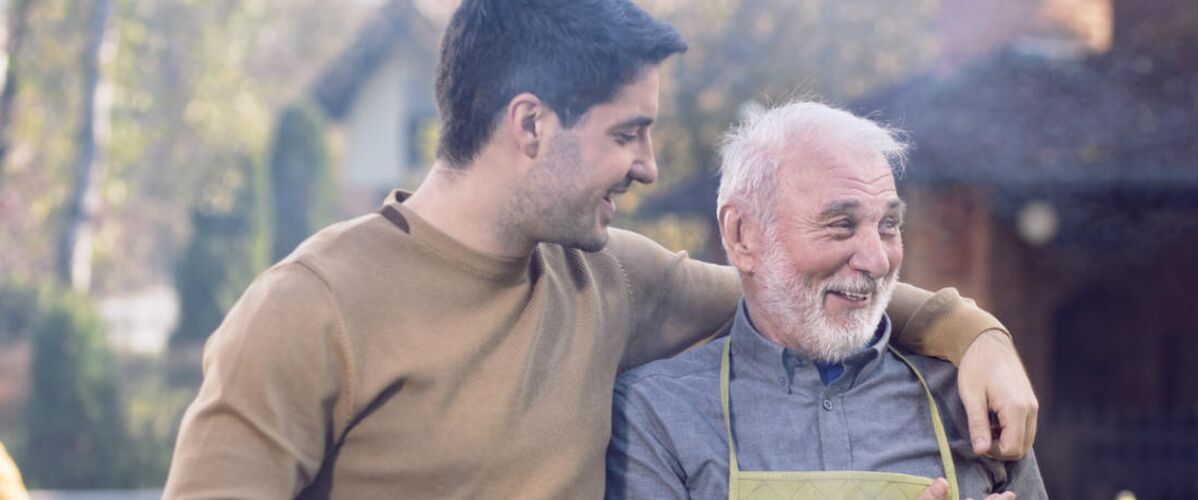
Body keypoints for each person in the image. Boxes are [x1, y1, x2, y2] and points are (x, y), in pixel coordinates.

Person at [164, 1, 1038, 498]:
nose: (651, 167)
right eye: (629, 134)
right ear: (532, 125)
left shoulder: (611, 276)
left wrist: (977, 336)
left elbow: (807, 281)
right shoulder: (307, 308)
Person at [605, 101, 1047, 500]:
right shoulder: (656, 416)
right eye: (841, 224)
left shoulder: (971, 400)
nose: (877, 260)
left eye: (889, 225)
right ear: (742, 235)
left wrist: (982, 335)